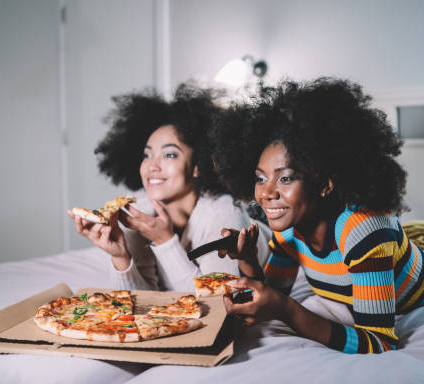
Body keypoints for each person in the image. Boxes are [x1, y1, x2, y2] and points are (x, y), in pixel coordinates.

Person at [211, 77, 424, 354]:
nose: (267, 193)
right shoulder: (288, 230)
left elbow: (381, 342)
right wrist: (248, 259)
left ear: (325, 183)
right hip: (419, 239)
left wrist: (289, 311)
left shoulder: (365, 231)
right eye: (260, 178)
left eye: (286, 178)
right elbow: (271, 298)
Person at [68, 83, 271, 293]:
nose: (152, 166)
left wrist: (165, 242)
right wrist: (120, 257)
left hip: (266, 235)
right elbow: (140, 301)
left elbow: (217, 302)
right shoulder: (137, 210)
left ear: (197, 166)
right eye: (147, 155)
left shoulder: (223, 214)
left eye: (169, 154)